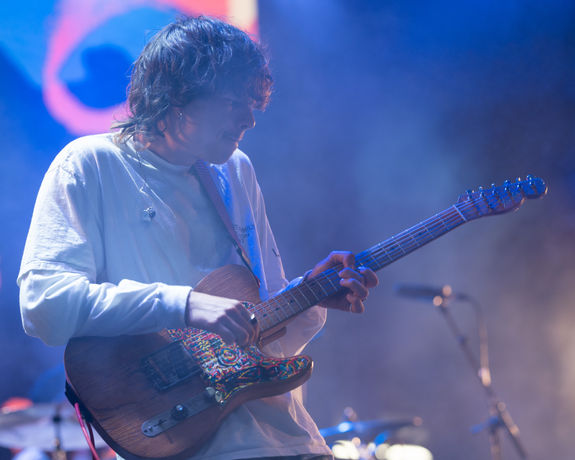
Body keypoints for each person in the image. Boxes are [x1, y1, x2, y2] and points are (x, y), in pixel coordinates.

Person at [18, 16, 378, 460]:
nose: (250, 118)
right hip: (192, 444)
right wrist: (186, 305)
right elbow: (44, 305)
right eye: (233, 102)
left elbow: (262, 337)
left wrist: (310, 298)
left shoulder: (236, 170)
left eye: (252, 103)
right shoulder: (89, 164)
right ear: (175, 96)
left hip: (293, 441)